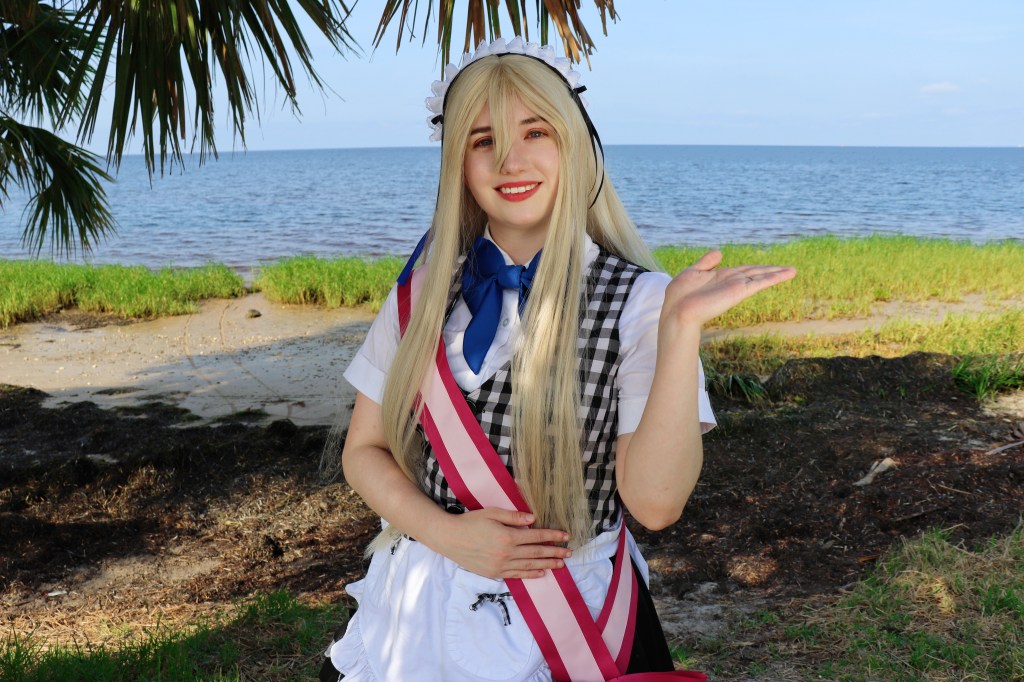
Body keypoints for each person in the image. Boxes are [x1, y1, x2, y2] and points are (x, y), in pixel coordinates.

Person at [320, 37, 796, 681]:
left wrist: (681, 329)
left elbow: (656, 505)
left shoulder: (642, 303)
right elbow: (363, 451)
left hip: (574, 621)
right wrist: (448, 534)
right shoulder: (419, 295)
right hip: (418, 612)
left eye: (535, 131)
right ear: (458, 163)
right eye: (483, 140)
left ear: (574, 143)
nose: (509, 160)